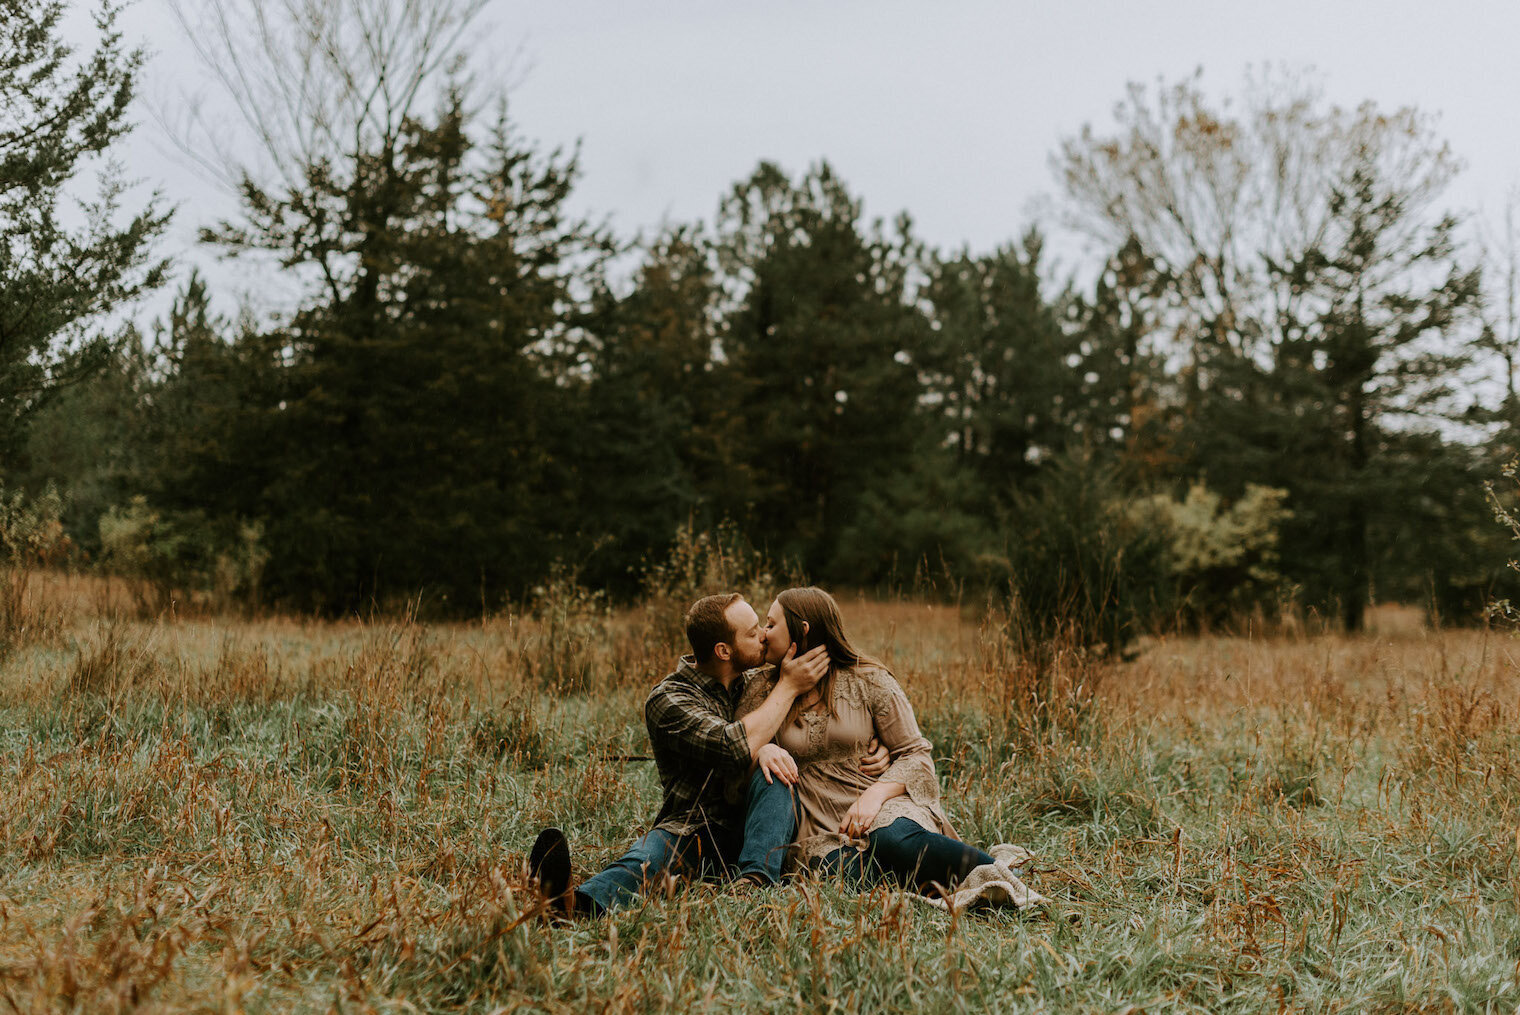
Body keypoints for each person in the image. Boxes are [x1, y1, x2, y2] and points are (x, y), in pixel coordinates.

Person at [527, 592, 888, 916]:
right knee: (648, 858)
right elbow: (731, 745)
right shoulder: (669, 699)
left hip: (760, 822)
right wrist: (784, 699)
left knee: (775, 775)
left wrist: (877, 745)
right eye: (751, 632)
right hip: (694, 826)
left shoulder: (758, 682)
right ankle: (573, 905)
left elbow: (817, 730)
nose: (764, 634)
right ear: (723, 651)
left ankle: (754, 887)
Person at [740, 586, 994, 894]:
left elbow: (916, 754)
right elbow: (739, 754)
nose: (763, 634)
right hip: (818, 825)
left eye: (770, 624)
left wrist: (875, 796)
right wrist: (764, 748)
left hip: (882, 805)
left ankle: (999, 877)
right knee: (851, 879)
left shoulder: (868, 679)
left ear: (801, 630)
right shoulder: (759, 689)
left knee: (893, 839)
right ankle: (925, 886)